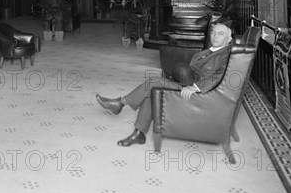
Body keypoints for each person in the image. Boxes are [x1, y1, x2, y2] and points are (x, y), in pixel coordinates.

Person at [96, 19, 234, 147]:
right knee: (152, 89)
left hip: (196, 91)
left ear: (229, 39)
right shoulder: (207, 52)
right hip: (186, 82)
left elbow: (219, 76)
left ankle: (120, 103)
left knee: (153, 82)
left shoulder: (225, 55)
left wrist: (195, 88)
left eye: (220, 34)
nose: (215, 36)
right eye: (213, 33)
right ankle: (139, 134)